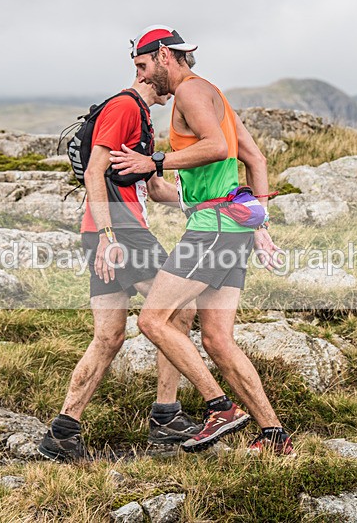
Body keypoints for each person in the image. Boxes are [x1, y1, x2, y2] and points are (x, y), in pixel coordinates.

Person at [108, 25, 293, 455]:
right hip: (233, 228)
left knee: (153, 320)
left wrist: (153, 159)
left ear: (164, 57)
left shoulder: (191, 92)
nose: (141, 77)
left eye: (142, 66)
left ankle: (219, 407)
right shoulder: (215, 95)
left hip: (212, 230)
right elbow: (255, 158)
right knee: (217, 339)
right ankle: (274, 436)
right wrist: (260, 225)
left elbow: (213, 148)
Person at [38, 78, 201, 462]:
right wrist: (109, 235)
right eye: (173, 72)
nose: (176, 90)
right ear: (149, 69)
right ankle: (166, 417)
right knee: (179, 311)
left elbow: (156, 189)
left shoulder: (142, 117)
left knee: (109, 337)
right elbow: (95, 172)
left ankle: (62, 433)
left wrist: (211, 202)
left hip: (108, 233)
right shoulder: (125, 106)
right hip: (120, 232)